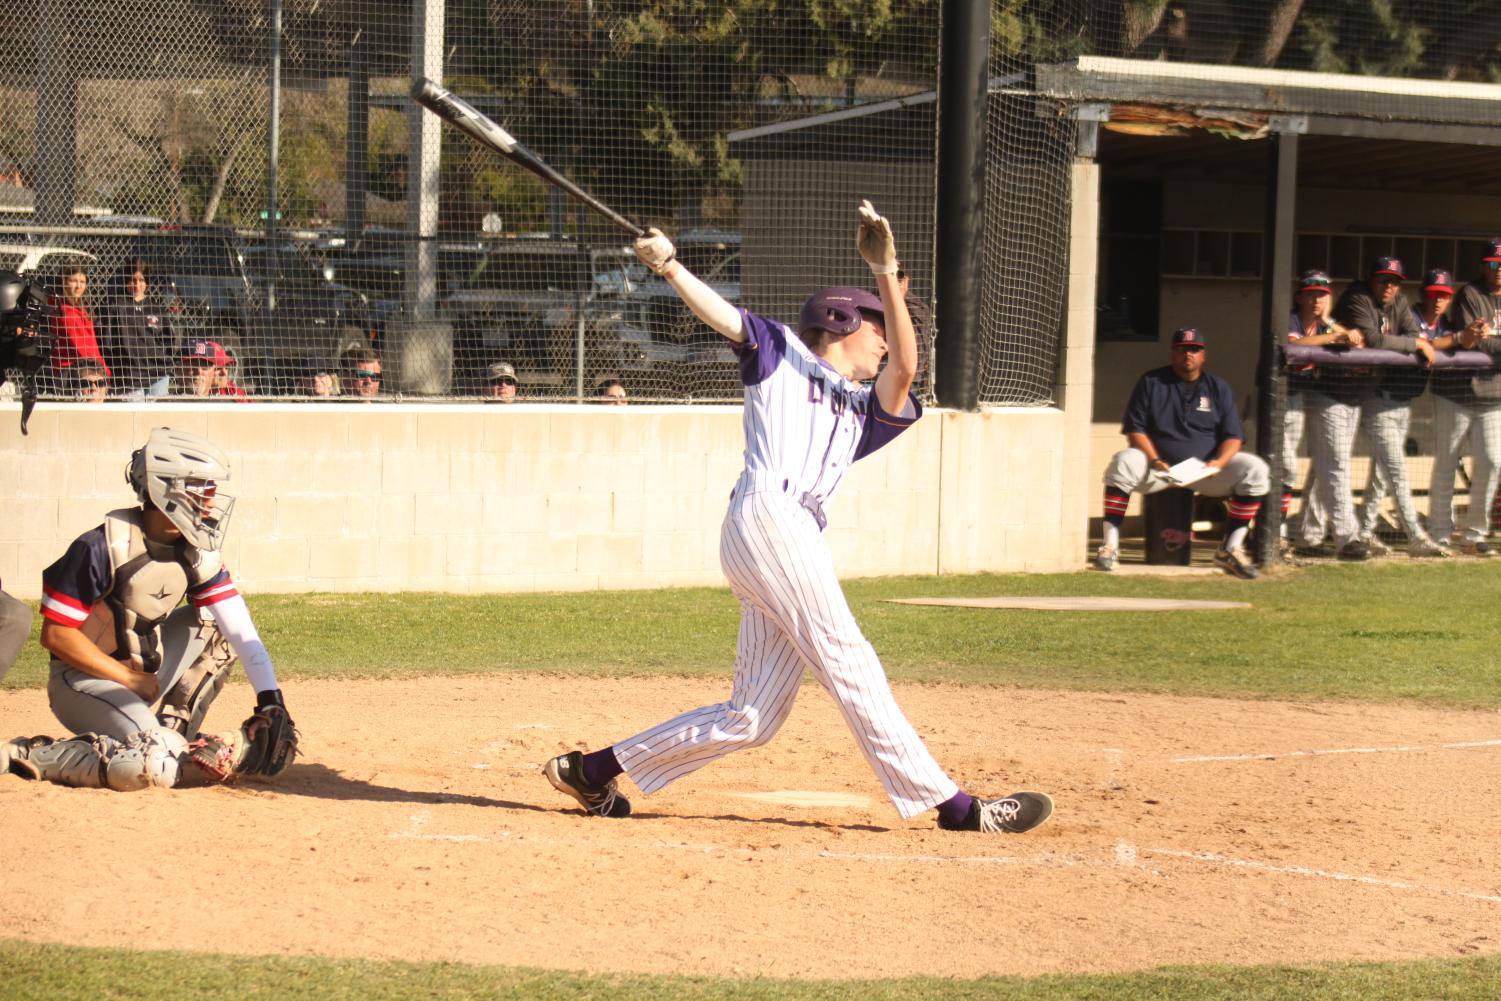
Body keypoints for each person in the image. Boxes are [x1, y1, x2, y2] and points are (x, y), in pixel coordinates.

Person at [543, 201, 1053, 835]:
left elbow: (909, 369)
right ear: (839, 320)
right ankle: (955, 808)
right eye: (876, 330)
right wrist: (670, 266)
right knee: (849, 658)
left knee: (752, 717)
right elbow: (725, 317)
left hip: (786, 535)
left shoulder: (868, 408)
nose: (887, 342)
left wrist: (887, 271)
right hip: (769, 515)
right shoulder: (779, 351)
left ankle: (590, 771)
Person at [0, 428, 297, 790]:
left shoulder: (194, 549)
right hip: (80, 681)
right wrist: (125, 678)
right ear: (166, 489)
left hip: (143, 674)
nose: (211, 500)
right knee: (152, 765)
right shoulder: (102, 546)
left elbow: (237, 625)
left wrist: (270, 699)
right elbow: (56, 635)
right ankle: (31, 754)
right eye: (202, 488)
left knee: (219, 631)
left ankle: (172, 738)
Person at [1096, 327, 1270, 579]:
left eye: (1194, 349)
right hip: (1159, 469)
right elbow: (1135, 431)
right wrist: (1155, 460)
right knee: (1123, 461)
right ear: (1173, 353)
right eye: (1181, 349)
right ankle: (1110, 546)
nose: (1187, 354)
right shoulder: (1152, 382)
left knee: (1255, 469)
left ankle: (1230, 548)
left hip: (1204, 471)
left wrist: (1219, 463)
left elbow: (1234, 437)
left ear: (1203, 355)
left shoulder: (1217, 387)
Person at [1354, 269, 1453, 558]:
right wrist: (1425, 343)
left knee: (1382, 475)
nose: (1437, 301)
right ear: (1423, 294)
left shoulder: (1445, 323)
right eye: (1433, 294)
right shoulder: (1408, 314)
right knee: (1396, 470)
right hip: (1379, 399)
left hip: (1404, 403)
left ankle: (1363, 531)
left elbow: (1453, 343)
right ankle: (1415, 537)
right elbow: (1403, 341)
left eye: (1443, 296)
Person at [1428, 238, 1501, 557]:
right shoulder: (1470, 294)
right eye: (1492, 264)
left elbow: (1490, 342)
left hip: (1494, 395)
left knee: (1492, 463)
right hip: (1455, 393)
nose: (1497, 270)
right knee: (1446, 461)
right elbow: (1478, 343)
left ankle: (1474, 533)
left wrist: (1493, 341)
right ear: (1483, 266)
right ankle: (1440, 532)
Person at [1281, 269, 1362, 550]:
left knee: (1325, 461)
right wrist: (1332, 338)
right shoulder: (1289, 318)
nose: (1316, 300)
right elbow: (1293, 345)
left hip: (1308, 394)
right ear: (1299, 296)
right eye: (1311, 294)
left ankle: (1316, 534)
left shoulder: (1325, 324)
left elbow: (1356, 341)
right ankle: (1274, 534)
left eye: (1322, 295)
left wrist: (1330, 323)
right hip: (1280, 395)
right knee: (1285, 467)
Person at [103, 260, 174, 399]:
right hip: (130, 376)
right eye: (132, 280)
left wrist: (165, 361)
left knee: (157, 418)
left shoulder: (156, 308)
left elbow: (168, 339)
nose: (137, 285)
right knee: (135, 418)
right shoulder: (117, 306)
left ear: (146, 282)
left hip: (157, 374)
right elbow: (107, 340)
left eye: (141, 280)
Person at [46, 262, 109, 395]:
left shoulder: (81, 309)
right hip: (71, 371)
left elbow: (91, 344)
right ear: (63, 282)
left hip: (86, 368)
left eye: (82, 281)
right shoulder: (65, 311)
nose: (79, 286)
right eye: (73, 281)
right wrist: (103, 370)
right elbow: (83, 347)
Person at [174, 339, 246, 399]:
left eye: (205, 367)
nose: (199, 371)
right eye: (192, 366)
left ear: (213, 371)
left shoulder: (231, 404)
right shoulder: (166, 407)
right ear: (177, 370)